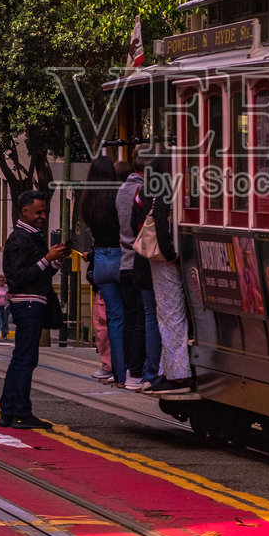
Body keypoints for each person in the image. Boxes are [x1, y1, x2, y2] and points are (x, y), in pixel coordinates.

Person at [0, 189, 67, 429]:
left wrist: (55, 260)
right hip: (28, 302)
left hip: (31, 301)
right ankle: (20, 412)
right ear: (24, 210)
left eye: (45, 212)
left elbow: (41, 273)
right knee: (25, 359)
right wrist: (47, 259)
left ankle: (9, 411)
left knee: (21, 358)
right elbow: (19, 277)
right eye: (38, 211)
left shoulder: (32, 236)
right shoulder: (19, 239)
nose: (42, 216)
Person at [134, 155, 191, 393]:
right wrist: (170, 252)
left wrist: (167, 254)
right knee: (171, 314)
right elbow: (160, 219)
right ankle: (176, 371)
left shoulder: (151, 190)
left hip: (161, 263)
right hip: (166, 261)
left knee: (168, 315)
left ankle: (175, 373)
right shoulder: (168, 189)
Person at [80, 156, 128, 385]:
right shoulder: (118, 196)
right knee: (132, 315)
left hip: (101, 262)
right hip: (120, 257)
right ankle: (132, 368)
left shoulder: (87, 200)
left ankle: (116, 371)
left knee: (114, 319)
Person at [116, 156, 156, 390]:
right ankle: (139, 371)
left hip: (123, 260)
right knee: (144, 317)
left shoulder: (122, 189)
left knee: (130, 318)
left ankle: (127, 370)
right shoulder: (142, 190)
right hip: (138, 260)